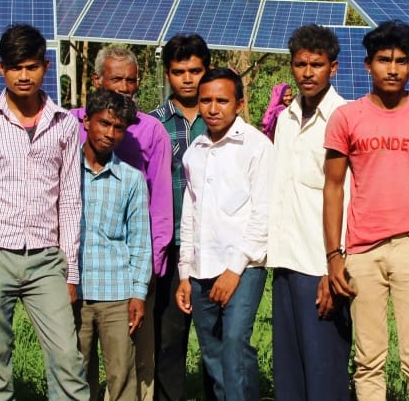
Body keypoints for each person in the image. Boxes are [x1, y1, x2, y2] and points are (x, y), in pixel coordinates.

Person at [323, 20, 409, 400]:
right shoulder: (346, 117)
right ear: (368, 64)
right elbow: (333, 187)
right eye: (384, 60)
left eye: (402, 61)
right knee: (368, 361)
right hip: (362, 250)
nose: (393, 69)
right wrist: (334, 255)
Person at [0, 23, 88, 400]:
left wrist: (70, 269)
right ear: (1, 69)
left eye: (31, 67)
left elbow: (70, 200)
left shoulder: (64, 125)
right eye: (15, 68)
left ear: (46, 66)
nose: (23, 76)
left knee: (67, 357)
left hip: (46, 260)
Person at [69, 44, 173, 401]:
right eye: (116, 79)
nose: (125, 88)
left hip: (123, 281)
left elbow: (157, 209)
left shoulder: (149, 137)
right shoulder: (68, 135)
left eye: (131, 80)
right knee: (75, 369)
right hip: (76, 281)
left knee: (128, 369)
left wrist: (145, 279)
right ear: (98, 80)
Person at [175, 68, 273, 401]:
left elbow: (263, 213)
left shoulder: (257, 147)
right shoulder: (195, 151)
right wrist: (185, 273)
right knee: (213, 354)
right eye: (206, 101)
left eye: (222, 100)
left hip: (243, 268)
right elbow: (190, 214)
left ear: (239, 104)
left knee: (234, 344)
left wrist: (235, 269)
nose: (213, 108)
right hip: (201, 269)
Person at [267, 24, 352, 399]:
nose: (307, 73)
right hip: (285, 261)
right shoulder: (286, 119)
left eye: (316, 65)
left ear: (333, 68)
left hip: (321, 263)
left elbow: (349, 196)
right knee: (290, 373)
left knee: (324, 371)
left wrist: (334, 266)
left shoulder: (344, 117)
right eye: (300, 64)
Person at [77, 89, 153, 401]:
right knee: (75, 374)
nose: (109, 133)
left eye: (118, 127)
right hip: (74, 292)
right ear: (86, 122)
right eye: (104, 123)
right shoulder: (64, 170)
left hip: (117, 294)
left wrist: (138, 293)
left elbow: (140, 240)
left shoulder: (131, 179)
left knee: (122, 376)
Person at [149, 33, 212, 401]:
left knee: (216, 339)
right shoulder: (152, 124)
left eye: (195, 71)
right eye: (179, 72)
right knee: (168, 339)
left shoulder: (221, 119)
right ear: (167, 74)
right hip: (170, 246)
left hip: (216, 245)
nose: (188, 79)